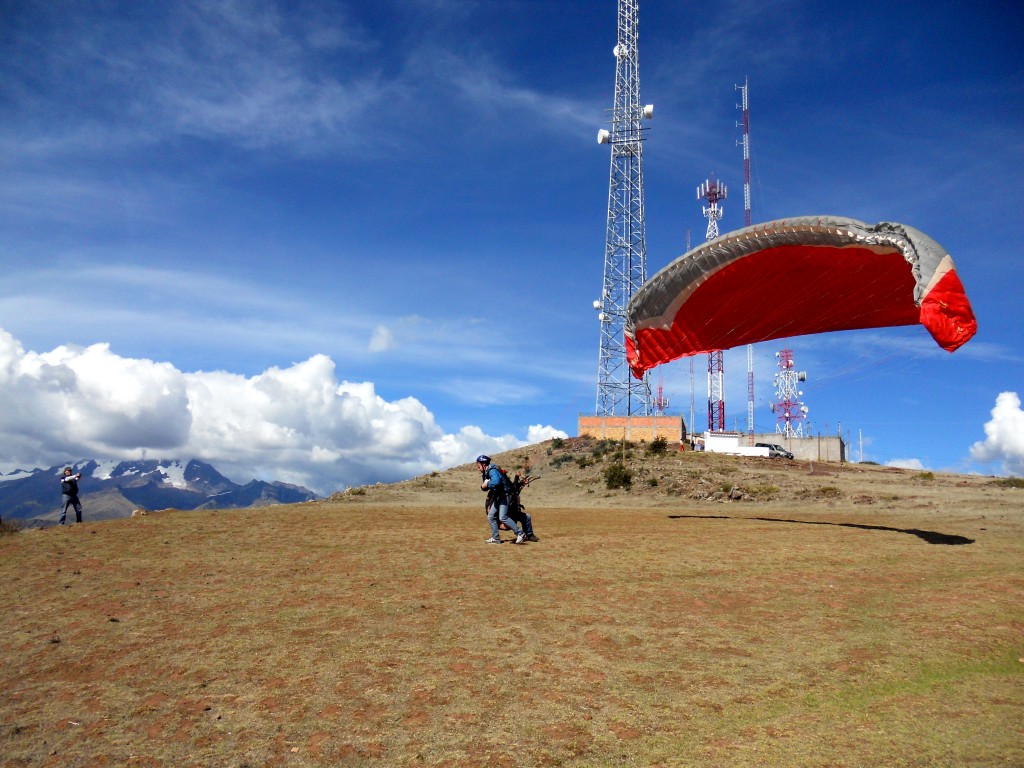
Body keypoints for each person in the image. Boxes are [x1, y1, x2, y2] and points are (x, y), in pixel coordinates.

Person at [475, 455, 526, 544]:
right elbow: (485, 487)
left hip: (504, 496)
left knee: (503, 517)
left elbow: (496, 482)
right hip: (498, 496)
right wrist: (484, 486)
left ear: (484, 464)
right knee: (491, 516)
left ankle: (520, 533)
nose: (478, 468)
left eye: (478, 466)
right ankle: (496, 538)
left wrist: (487, 484)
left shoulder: (492, 471)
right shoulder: (487, 472)